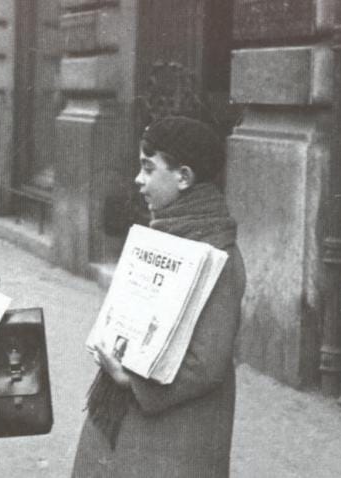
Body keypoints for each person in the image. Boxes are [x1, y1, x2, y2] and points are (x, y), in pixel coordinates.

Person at [72, 116, 246, 478]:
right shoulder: (168, 232)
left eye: (148, 169)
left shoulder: (217, 252)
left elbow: (206, 365)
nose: (139, 180)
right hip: (139, 420)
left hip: (175, 430)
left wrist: (130, 382)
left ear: (183, 177)